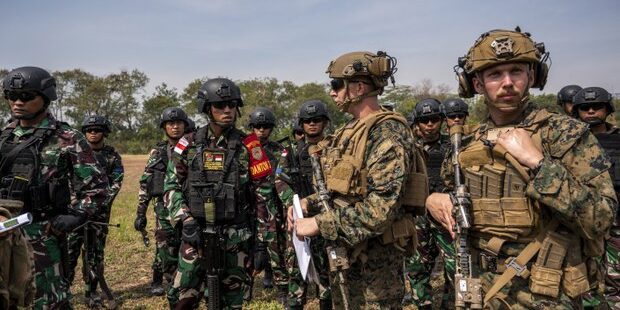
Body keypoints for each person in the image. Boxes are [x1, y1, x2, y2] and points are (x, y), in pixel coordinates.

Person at [427, 27, 617, 308]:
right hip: (486, 292)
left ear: (532, 76)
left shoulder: (565, 133)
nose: (507, 83)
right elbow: (449, 199)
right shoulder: (465, 143)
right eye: (494, 74)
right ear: (477, 84)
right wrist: (433, 201)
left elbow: (601, 218)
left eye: (516, 71)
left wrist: (538, 164)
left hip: (552, 294)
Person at [292, 51, 420, 308]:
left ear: (358, 87)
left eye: (336, 84)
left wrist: (318, 223)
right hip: (347, 260)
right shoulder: (348, 131)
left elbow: (379, 210)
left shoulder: (387, 133)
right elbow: (344, 189)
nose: (332, 92)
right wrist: (309, 203)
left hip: (375, 271)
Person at [0, 66, 108, 309]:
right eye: (11, 96)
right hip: (3, 231)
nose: (17, 102)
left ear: (46, 97)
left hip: (41, 235)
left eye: (27, 97)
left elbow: (98, 189)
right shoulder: (4, 137)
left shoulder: (67, 138)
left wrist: (71, 218)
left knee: (48, 301)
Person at [164, 78, 274, 309]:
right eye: (220, 106)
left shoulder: (251, 145)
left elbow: (264, 196)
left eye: (232, 105)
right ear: (207, 109)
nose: (227, 110)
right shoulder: (187, 143)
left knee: (232, 303)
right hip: (195, 236)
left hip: (236, 239)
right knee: (182, 299)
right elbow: (171, 186)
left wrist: (263, 244)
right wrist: (186, 219)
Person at [275, 100, 333, 309]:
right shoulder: (290, 152)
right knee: (297, 270)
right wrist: (295, 203)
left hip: (327, 218)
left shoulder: (335, 148)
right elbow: (280, 181)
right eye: (307, 121)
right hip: (299, 219)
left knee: (329, 272)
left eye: (316, 120)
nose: (312, 124)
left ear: (325, 122)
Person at [66, 115, 124, 305]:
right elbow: (65, 180)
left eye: (97, 130)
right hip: (74, 213)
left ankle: (91, 292)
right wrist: (75, 202)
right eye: (89, 130)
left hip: (99, 214)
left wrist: (99, 203)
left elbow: (116, 182)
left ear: (104, 132)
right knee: (69, 251)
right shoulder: (74, 153)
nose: (92, 133)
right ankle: (63, 291)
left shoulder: (112, 155)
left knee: (95, 254)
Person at [572, 86, 620, 308]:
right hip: (583, 217)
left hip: (616, 218)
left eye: (596, 107)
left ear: (607, 109)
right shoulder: (570, 141)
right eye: (584, 108)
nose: (591, 111)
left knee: (615, 274)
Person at [404, 98, 454, 309]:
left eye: (434, 119)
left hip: (445, 214)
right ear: (417, 123)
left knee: (454, 267)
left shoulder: (453, 146)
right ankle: (422, 303)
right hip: (418, 215)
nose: (430, 125)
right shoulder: (408, 149)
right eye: (425, 120)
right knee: (417, 267)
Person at [134, 107, 187, 296]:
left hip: (188, 208)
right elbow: (146, 182)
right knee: (164, 247)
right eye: (170, 124)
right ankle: (166, 281)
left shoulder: (193, 148)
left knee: (188, 246)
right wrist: (141, 212)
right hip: (163, 209)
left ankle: (183, 284)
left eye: (179, 123)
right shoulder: (157, 152)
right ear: (164, 127)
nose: (175, 127)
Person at [247, 107, 288, 301]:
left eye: (265, 126)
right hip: (248, 207)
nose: (261, 130)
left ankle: (281, 289)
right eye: (257, 126)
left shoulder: (280, 151)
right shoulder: (244, 148)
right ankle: (246, 288)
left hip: (272, 207)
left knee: (275, 249)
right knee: (247, 249)